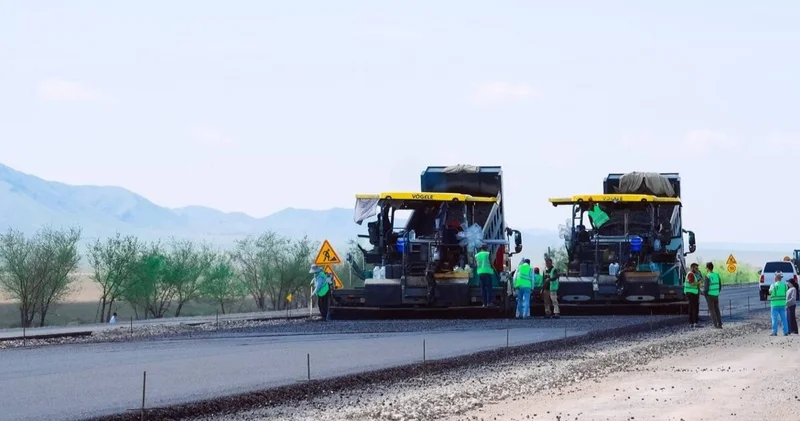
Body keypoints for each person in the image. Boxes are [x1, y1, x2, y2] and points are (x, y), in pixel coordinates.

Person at [702, 262, 722, 329]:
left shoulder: (708, 276)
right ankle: (720, 324)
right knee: (717, 309)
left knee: (712, 310)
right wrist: (717, 292)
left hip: (710, 296)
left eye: (706, 268)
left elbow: (706, 289)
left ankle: (715, 325)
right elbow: (720, 286)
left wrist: (703, 293)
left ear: (707, 268)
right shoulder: (717, 275)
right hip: (716, 295)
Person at [768, 271, 789, 336]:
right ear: (781, 278)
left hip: (774, 305)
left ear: (776, 277)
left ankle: (774, 332)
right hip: (783, 304)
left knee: (774, 319)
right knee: (784, 319)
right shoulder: (785, 286)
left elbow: (770, 292)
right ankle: (785, 332)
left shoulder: (773, 285)